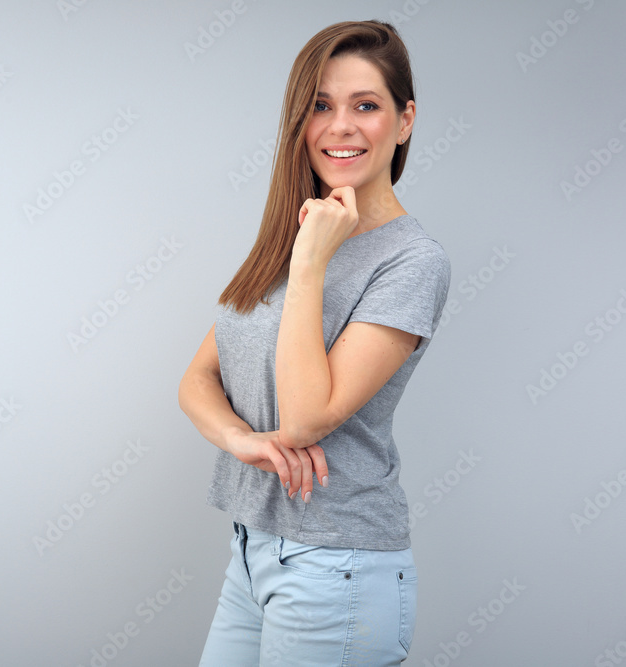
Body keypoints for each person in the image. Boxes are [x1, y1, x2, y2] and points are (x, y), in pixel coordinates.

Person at [179, 19, 451, 666]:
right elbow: (196, 380)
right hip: (252, 551)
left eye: (366, 105)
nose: (341, 126)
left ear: (404, 120)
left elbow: (305, 417)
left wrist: (310, 264)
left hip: (339, 567)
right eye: (321, 106)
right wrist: (243, 441)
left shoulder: (411, 262)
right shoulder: (291, 233)